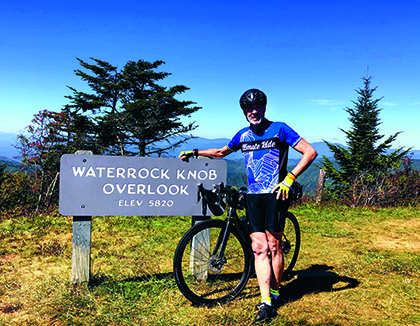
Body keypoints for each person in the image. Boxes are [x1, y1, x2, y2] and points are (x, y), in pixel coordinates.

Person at [179, 89, 317, 323]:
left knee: (275, 246)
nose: (253, 112)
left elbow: (309, 152)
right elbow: (222, 152)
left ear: (264, 107)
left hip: (276, 195)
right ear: (244, 112)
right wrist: (195, 152)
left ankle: (275, 291)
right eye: (248, 109)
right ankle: (266, 301)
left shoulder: (280, 128)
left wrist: (290, 178)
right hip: (253, 197)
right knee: (258, 248)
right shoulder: (242, 135)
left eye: (257, 107)